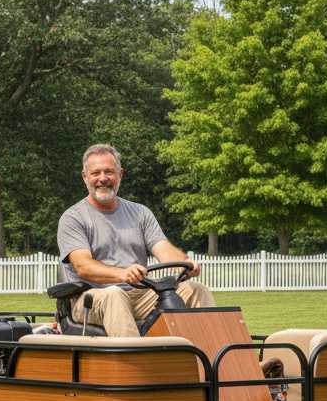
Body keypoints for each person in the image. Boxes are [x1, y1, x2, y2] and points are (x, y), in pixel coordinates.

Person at [56, 143, 215, 336]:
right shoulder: (74, 217)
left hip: (139, 293)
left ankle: (214, 360)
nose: (103, 179)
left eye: (109, 172)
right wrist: (123, 274)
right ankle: (135, 365)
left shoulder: (140, 213)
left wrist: (185, 264)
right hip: (90, 297)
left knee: (195, 289)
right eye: (96, 173)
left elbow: (162, 248)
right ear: (85, 177)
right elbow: (83, 266)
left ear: (120, 174)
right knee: (114, 295)